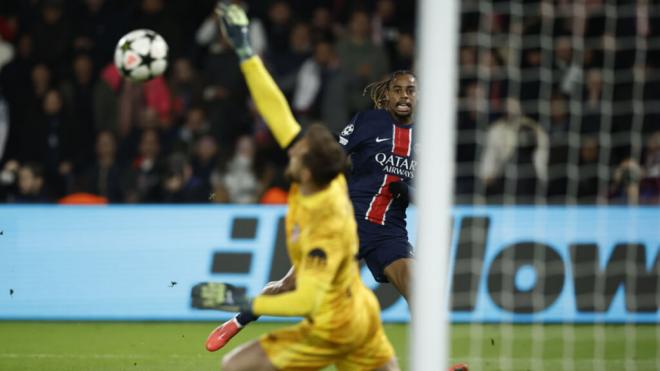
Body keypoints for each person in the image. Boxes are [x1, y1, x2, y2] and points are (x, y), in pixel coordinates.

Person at [193, 3, 399, 370]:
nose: (290, 148)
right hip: (360, 317)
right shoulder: (323, 176)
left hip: (334, 327)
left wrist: (246, 302)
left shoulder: (328, 223)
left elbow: (306, 298)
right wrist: (245, 52)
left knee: (234, 367)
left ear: (307, 170)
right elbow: (277, 110)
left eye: (297, 152)